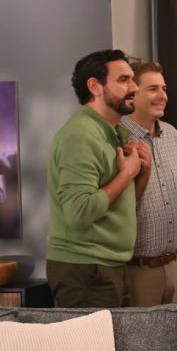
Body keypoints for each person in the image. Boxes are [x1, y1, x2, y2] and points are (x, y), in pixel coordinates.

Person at [47, 49, 148, 308]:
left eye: (132, 79)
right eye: (124, 80)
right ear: (95, 86)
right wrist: (127, 173)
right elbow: (79, 212)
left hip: (107, 266)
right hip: (86, 269)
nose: (134, 87)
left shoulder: (113, 131)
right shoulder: (82, 136)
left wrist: (142, 172)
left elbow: (120, 204)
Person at [120, 61, 177, 306]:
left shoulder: (173, 136)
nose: (163, 96)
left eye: (164, 89)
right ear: (132, 94)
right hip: (137, 272)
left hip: (176, 267)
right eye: (153, 89)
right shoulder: (117, 139)